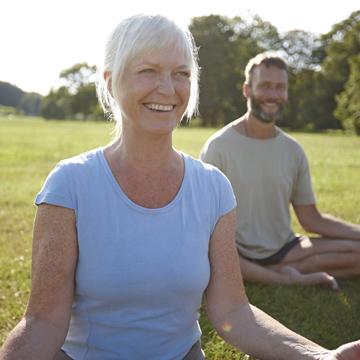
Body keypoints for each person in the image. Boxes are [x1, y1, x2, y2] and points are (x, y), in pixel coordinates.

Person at [1, 16, 359, 360]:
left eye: (181, 74)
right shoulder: (69, 184)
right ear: (110, 82)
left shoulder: (213, 188)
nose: (168, 89)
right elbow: (42, 323)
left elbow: (233, 309)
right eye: (148, 71)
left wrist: (319, 356)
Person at [200, 52, 360, 292]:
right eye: (264, 86)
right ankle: (277, 277)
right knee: (215, 255)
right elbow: (207, 236)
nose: (273, 95)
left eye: (280, 87)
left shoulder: (293, 150)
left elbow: (311, 219)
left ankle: (264, 273)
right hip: (235, 252)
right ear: (247, 89)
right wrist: (288, 280)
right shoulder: (218, 147)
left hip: (287, 250)